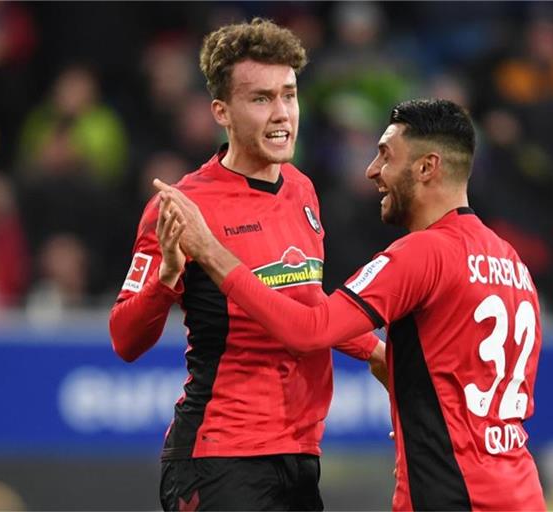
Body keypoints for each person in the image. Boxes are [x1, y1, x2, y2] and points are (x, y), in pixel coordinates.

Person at [156, 98, 547, 510]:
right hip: (520, 491)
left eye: (385, 155)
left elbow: (309, 331)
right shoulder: (510, 261)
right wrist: (396, 377)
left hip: (453, 495)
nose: (372, 171)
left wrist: (211, 251)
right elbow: (461, 373)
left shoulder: (423, 253)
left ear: (427, 167)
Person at [109, 18, 385, 511]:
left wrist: (376, 353)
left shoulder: (302, 189)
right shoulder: (181, 206)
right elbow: (124, 339)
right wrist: (168, 279)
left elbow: (304, 302)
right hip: (220, 459)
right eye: (260, 99)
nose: (282, 114)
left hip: (300, 454)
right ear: (222, 111)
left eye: (289, 95)